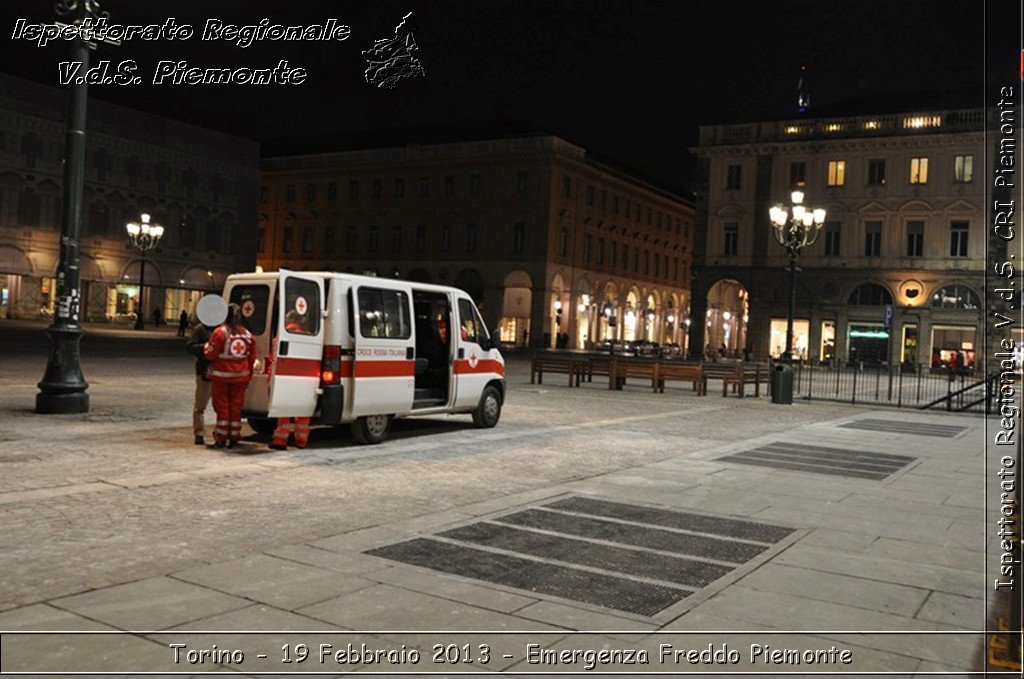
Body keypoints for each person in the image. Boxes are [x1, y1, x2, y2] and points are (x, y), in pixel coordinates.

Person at [204, 303, 255, 448]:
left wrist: (206, 347)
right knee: (236, 407)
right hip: (241, 377)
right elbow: (252, 357)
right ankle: (234, 436)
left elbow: (210, 354)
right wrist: (249, 375)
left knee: (222, 407)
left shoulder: (220, 333)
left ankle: (221, 436)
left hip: (221, 377)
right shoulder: (247, 334)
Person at [270, 310, 312, 450]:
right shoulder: (309, 335)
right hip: (307, 379)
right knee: (303, 413)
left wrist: (271, 379)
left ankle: (280, 441)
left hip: (286, 378)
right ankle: (301, 441)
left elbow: (274, 361)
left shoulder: (282, 337)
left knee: (284, 413)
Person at [185, 316, 213, 445]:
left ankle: (221, 432)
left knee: (221, 405)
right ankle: (199, 433)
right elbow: (191, 346)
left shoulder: (223, 328)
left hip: (221, 372)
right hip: (204, 371)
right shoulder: (200, 329)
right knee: (200, 405)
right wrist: (206, 347)